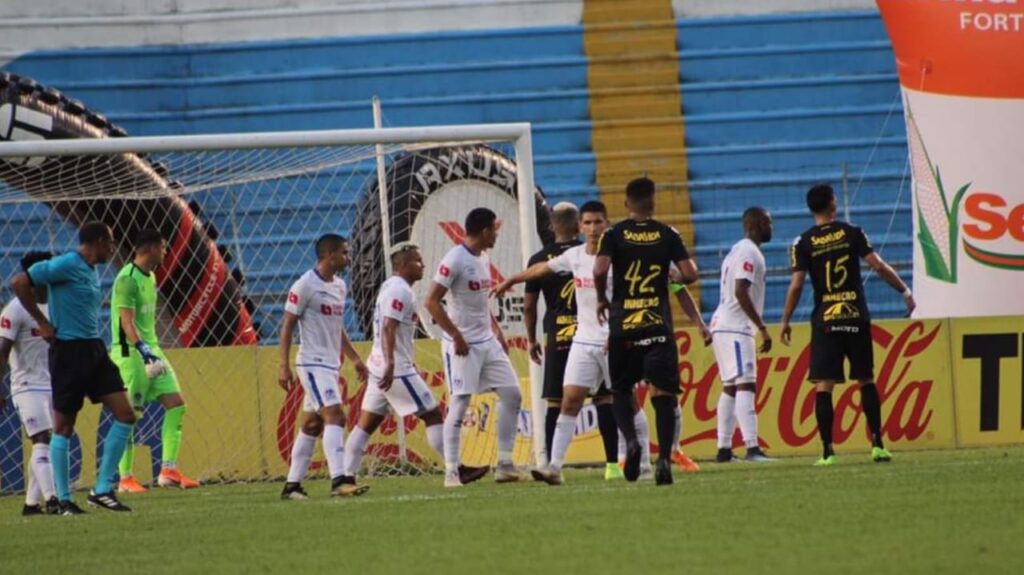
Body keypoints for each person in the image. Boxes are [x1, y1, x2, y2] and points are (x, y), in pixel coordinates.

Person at [494, 201, 629, 483]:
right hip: (581, 339)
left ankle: (634, 464)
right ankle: (565, 466)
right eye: (588, 223)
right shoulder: (574, 256)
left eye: (597, 222)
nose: (592, 228)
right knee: (588, 400)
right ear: (578, 225)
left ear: (552, 226)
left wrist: (531, 339)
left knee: (563, 402)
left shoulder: (613, 255)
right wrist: (512, 280)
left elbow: (530, 306)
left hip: (566, 337)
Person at [780, 184, 915, 465]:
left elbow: (796, 285)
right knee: (865, 378)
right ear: (832, 204)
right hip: (854, 316)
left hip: (826, 320)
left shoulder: (802, 242)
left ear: (810, 208)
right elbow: (877, 265)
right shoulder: (853, 232)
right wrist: (905, 292)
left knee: (824, 385)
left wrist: (785, 320)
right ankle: (878, 444)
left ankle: (828, 451)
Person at [11, 222, 136, 514]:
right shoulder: (65, 263)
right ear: (98, 241)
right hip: (68, 351)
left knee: (126, 414)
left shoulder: (90, 269)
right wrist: (43, 323)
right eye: (110, 242)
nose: (112, 248)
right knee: (63, 427)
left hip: (94, 348)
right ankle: (64, 499)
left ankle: (102, 489)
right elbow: (19, 282)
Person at [339, 242, 487, 486]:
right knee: (433, 414)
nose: (423, 265)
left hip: (379, 365)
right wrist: (390, 364)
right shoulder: (400, 291)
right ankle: (458, 469)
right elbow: (388, 327)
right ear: (404, 265)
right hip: (394, 369)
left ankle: (346, 476)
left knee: (367, 423)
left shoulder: (391, 286)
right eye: (418, 261)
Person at [594, 177, 708, 486]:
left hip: (624, 327)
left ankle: (631, 442)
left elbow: (600, 270)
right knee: (663, 393)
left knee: (620, 390)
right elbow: (690, 274)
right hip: (658, 326)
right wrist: (670, 275)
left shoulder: (613, 234)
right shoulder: (667, 234)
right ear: (653, 202)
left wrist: (602, 299)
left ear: (627, 203)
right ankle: (664, 460)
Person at [425, 207, 523, 487]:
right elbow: (431, 301)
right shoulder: (454, 259)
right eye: (495, 229)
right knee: (460, 402)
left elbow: (481, 302)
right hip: (463, 344)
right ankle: (452, 472)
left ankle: (504, 464)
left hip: (487, 341)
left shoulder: (483, 256)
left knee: (513, 395)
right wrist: (456, 336)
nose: (497, 234)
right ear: (484, 231)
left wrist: (497, 330)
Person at [278, 234, 370, 499]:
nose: (348, 258)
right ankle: (339, 481)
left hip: (330, 365)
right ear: (329, 256)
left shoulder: (340, 286)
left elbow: (336, 327)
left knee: (312, 426)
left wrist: (354, 358)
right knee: (336, 416)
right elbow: (287, 325)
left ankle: (292, 486)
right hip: (311, 362)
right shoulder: (304, 285)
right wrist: (283, 365)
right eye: (344, 253)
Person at [112, 229, 199, 493]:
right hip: (131, 354)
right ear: (150, 248)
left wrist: (151, 350)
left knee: (176, 404)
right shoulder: (126, 279)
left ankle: (169, 471)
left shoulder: (150, 276)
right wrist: (141, 348)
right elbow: (125, 320)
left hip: (152, 351)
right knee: (130, 415)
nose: (165, 252)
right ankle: (125, 478)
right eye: (162, 247)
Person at [709, 207, 775, 463]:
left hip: (723, 324)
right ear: (757, 224)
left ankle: (724, 450)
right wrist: (761, 327)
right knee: (746, 383)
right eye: (769, 222)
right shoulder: (749, 251)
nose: (772, 227)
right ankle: (752, 448)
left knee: (730, 387)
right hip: (736, 326)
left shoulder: (737, 249)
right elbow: (740, 291)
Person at [1, 251, 58, 515]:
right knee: (41, 439)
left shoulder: (56, 303)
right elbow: (2, 350)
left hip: (52, 383)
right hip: (26, 386)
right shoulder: (15, 309)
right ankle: (54, 500)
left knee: (49, 441)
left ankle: (31, 504)